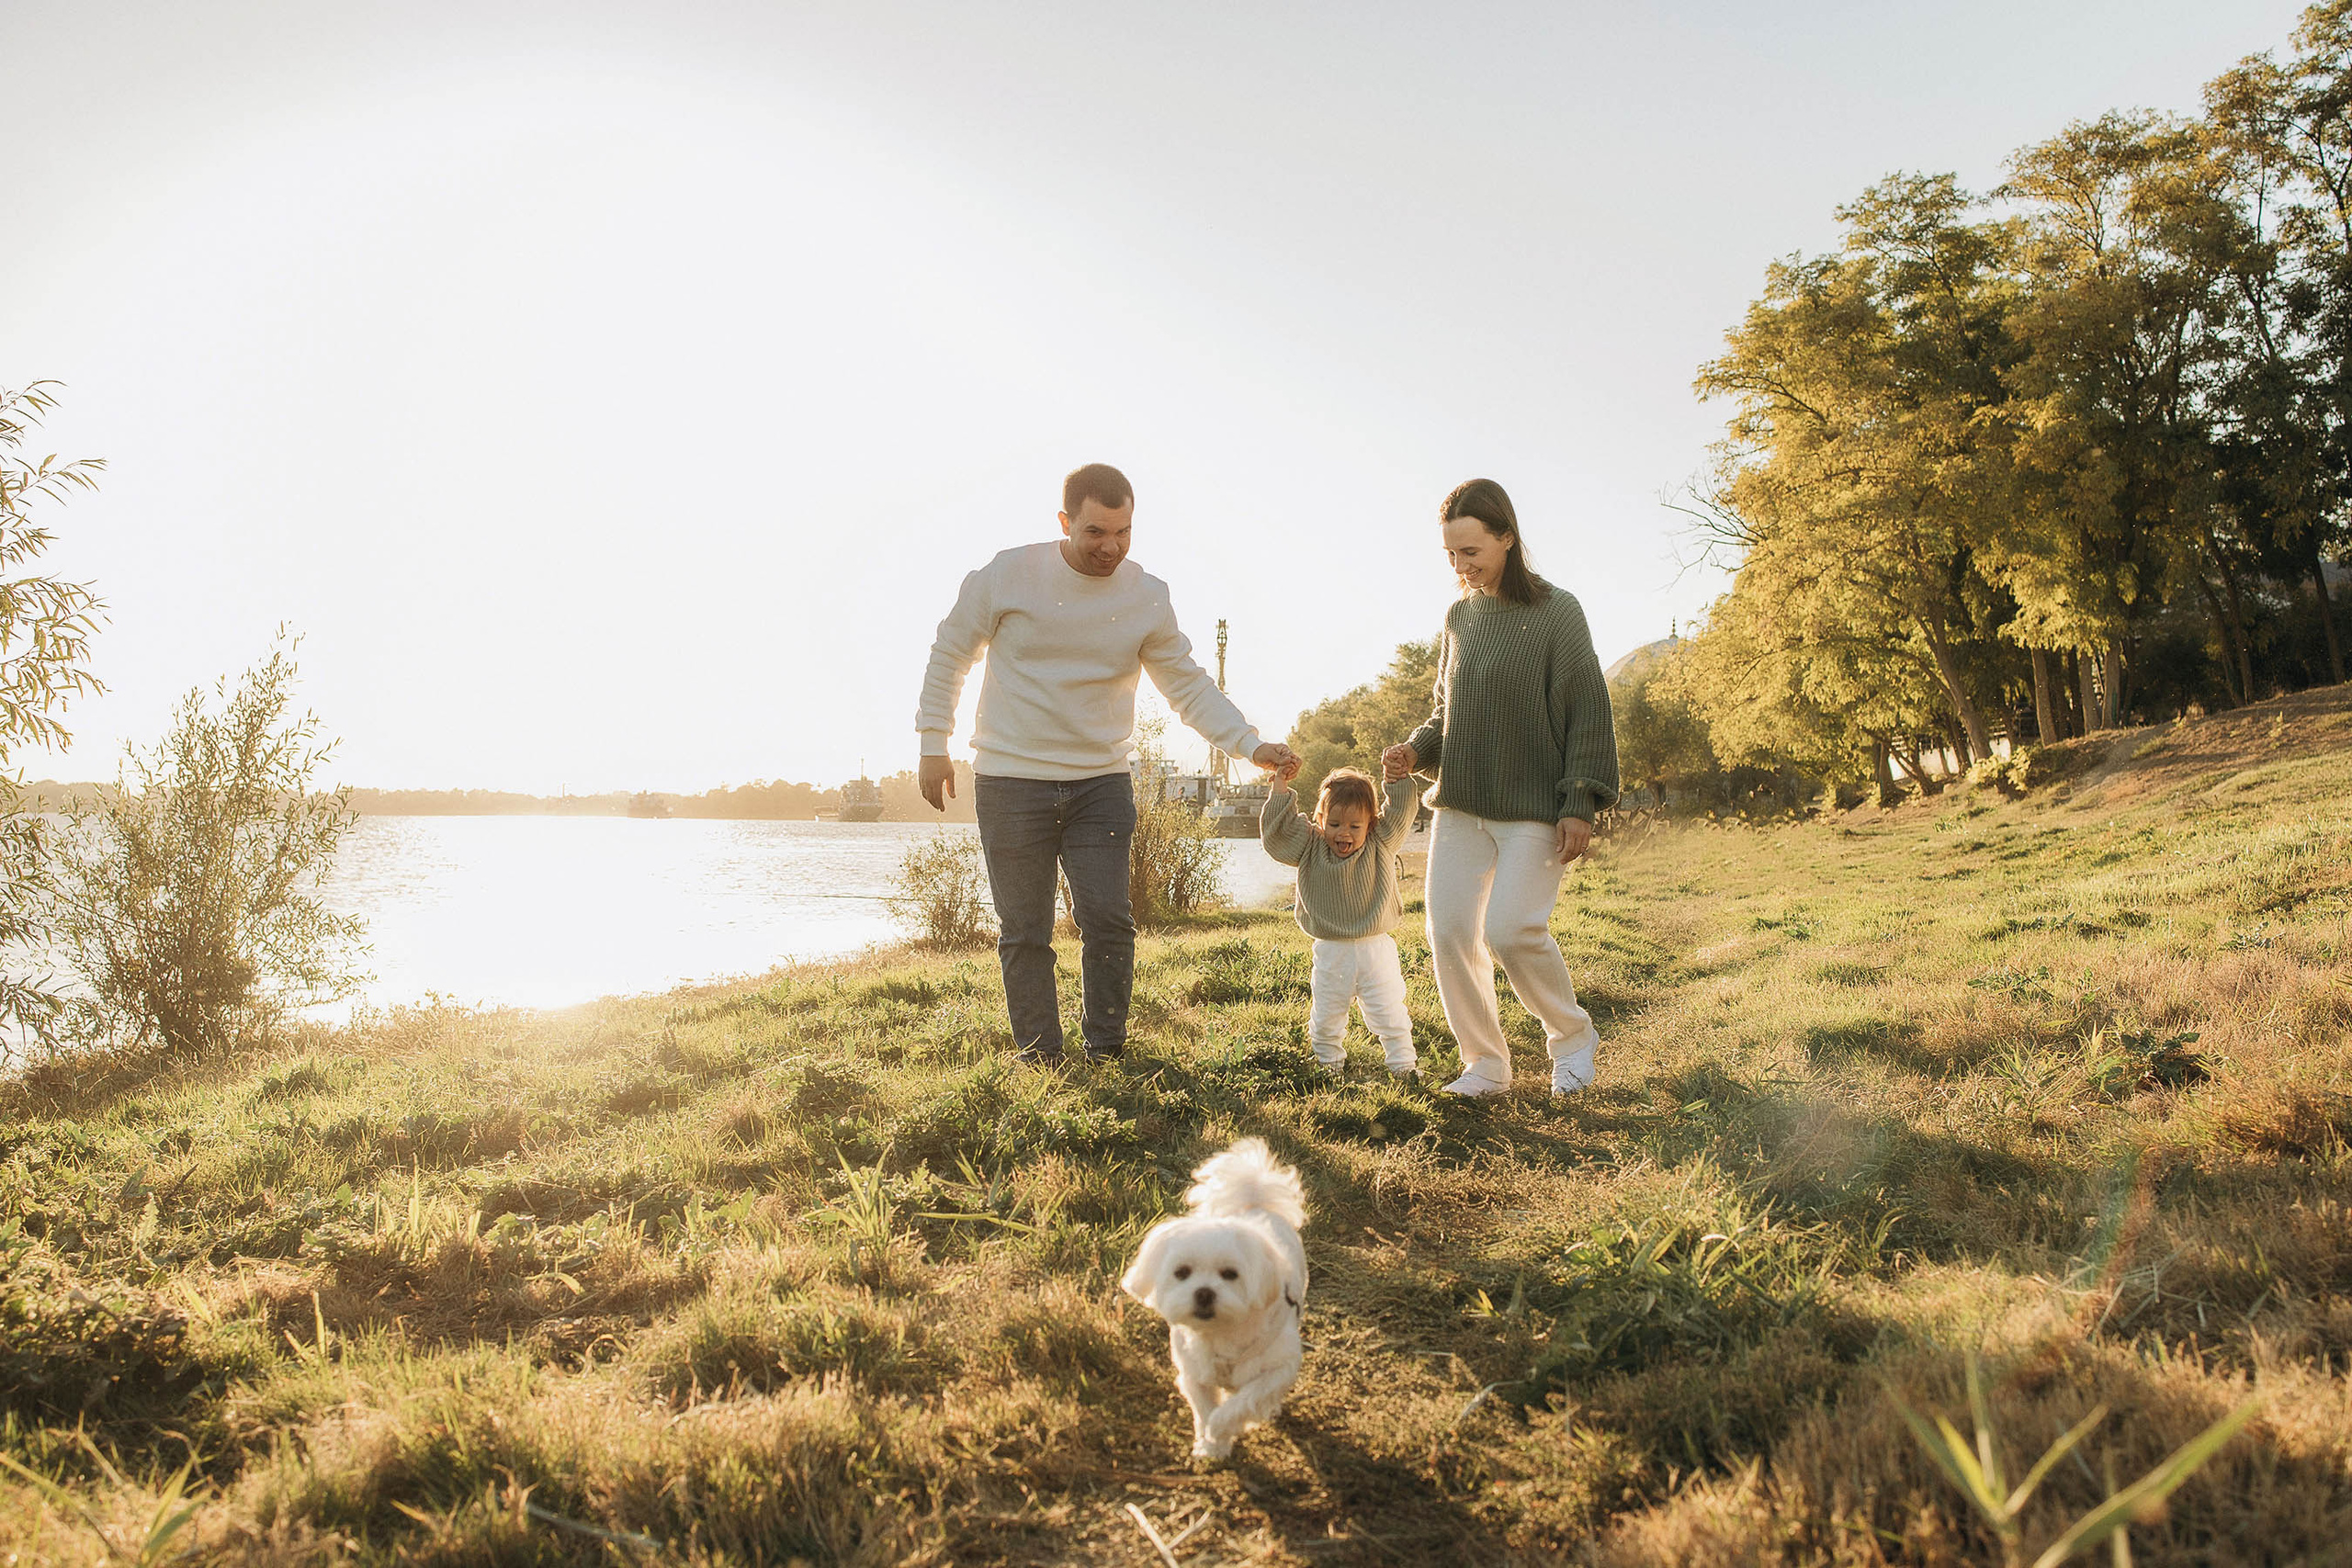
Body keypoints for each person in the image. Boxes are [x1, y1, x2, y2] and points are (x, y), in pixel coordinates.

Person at [916, 463, 1297, 1063]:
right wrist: (933, 741)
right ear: (1065, 522)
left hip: (1100, 783)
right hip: (1011, 778)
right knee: (1025, 931)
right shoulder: (1007, 575)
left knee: (1109, 920)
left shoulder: (1146, 597)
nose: (1110, 547)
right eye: (1095, 531)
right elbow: (949, 653)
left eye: (1123, 532)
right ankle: (1041, 1055)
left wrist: (1250, 745)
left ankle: (1106, 1050)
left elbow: (1189, 688)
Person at [1380, 478, 1619, 1100]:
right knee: (1451, 931)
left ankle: (1572, 1037)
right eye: (1451, 556)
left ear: (1507, 538)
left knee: (1511, 929)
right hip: (1462, 804)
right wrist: (1417, 749)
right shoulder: (1460, 615)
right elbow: (1446, 712)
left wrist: (1580, 801)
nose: (1461, 567)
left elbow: (1587, 711)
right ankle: (1485, 1063)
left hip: (1535, 809)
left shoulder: (1557, 612)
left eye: (1472, 552)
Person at [1259, 763, 1421, 1084]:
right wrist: (1280, 787)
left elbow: (1401, 811)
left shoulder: (1381, 842)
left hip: (1376, 950)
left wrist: (1396, 777)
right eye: (1333, 824)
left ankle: (1404, 1068)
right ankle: (1328, 1067)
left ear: (1370, 824)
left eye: (1354, 826)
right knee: (1326, 1017)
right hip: (1332, 952)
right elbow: (1276, 836)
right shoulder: (1310, 845)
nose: (1343, 833)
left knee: (1390, 1014)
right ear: (1320, 821)